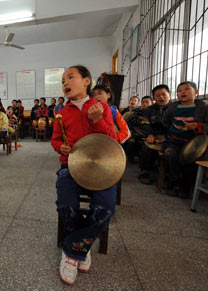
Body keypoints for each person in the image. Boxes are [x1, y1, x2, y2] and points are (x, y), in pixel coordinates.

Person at [51, 65, 116, 285]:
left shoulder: (101, 107)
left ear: (87, 81)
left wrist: (98, 120)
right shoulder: (61, 112)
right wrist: (61, 148)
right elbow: (55, 140)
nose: (65, 83)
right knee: (66, 205)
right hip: (70, 166)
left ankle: (73, 249)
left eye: (70, 77)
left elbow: (111, 142)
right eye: (62, 81)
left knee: (105, 209)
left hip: (101, 168)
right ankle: (80, 248)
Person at [162, 81, 208, 198]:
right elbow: (165, 121)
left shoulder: (203, 108)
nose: (182, 92)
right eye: (179, 91)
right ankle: (174, 184)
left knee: (191, 161)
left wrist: (196, 126)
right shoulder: (173, 107)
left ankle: (186, 187)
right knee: (170, 155)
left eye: (186, 89)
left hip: (194, 142)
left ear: (196, 92)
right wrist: (173, 130)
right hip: (174, 140)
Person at [138, 84, 171, 185]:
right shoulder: (149, 109)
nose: (161, 97)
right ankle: (146, 172)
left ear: (169, 94)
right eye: (158, 95)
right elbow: (145, 123)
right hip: (153, 135)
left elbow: (176, 125)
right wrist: (149, 134)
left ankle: (169, 177)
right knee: (147, 147)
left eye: (163, 94)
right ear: (154, 98)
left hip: (169, 136)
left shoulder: (175, 108)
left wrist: (166, 137)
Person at [125, 96, 153, 162]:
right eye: (143, 102)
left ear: (152, 103)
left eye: (147, 102)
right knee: (130, 142)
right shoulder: (137, 112)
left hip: (149, 135)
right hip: (137, 133)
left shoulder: (153, 113)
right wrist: (140, 121)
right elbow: (131, 122)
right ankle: (130, 159)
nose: (144, 104)